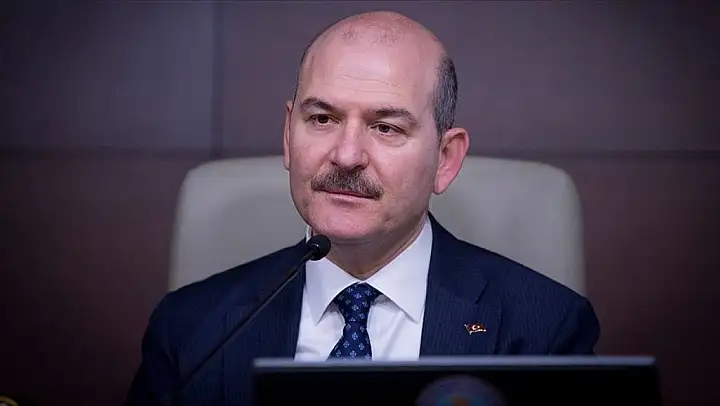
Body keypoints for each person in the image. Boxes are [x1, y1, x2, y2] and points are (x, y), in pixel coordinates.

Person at [125, 10, 600, 406]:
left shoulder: (545, 329)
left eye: (386, 127)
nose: (347, 155)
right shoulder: (190, 330)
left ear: (445, 159)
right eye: (322, 118)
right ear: (288, 135)